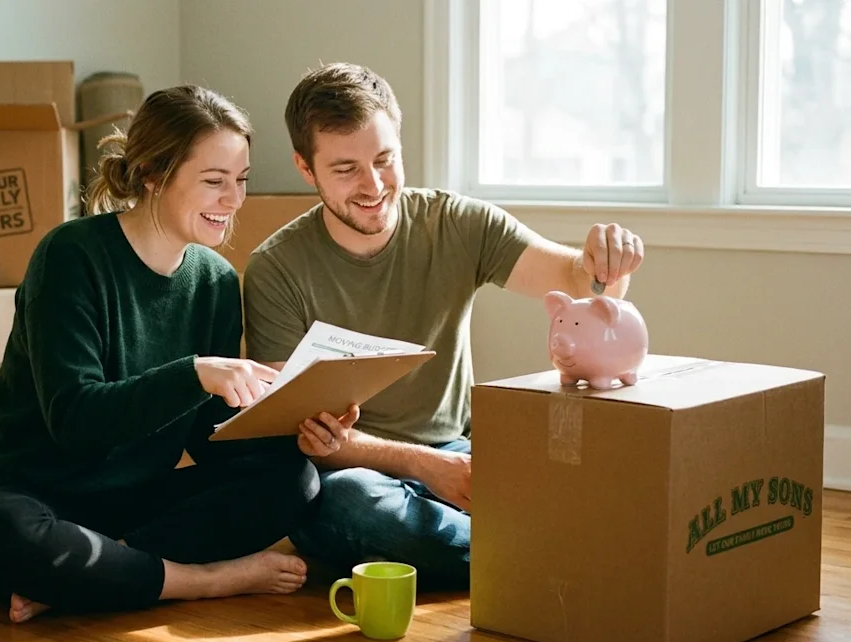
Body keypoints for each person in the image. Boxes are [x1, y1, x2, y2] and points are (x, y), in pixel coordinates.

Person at [0, 85, 358, 624]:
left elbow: (204, 437)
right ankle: (203, 581)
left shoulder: (212, 281)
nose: (233, 201)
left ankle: (100, 572)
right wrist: (196, 374)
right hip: (29, 493)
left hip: (130, 505)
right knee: (3, 536)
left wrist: (286, 407)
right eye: (214, 182)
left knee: (294, 481)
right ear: (152, 174)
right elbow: (75, 420)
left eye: (240, 182)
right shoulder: (70, 256)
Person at [241, 63, 645, 590]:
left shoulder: (455, 223)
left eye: (385, 160)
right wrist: (424, 466)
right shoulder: (277, 268)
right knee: (346, 504)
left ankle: (521, 553)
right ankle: (545, 559)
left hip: (461, 452)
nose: (373, 185)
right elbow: (297, 432)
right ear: (305, 167)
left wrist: (605, 261)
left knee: (587, 467)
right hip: (353, 472)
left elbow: (580, 283)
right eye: (346, 170)